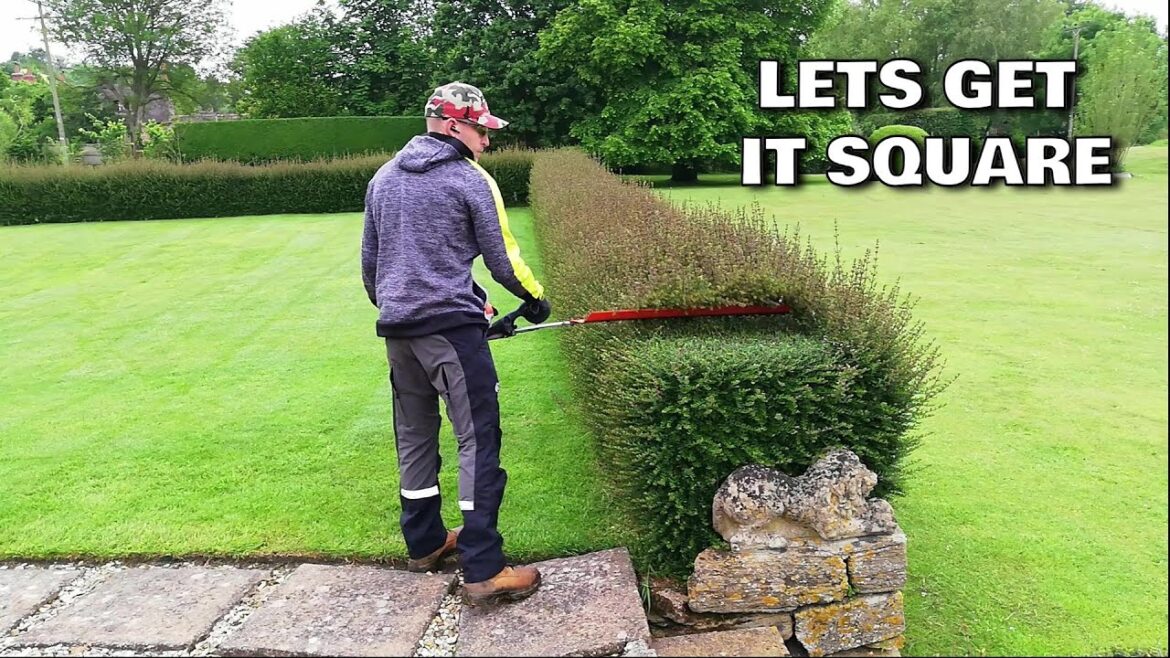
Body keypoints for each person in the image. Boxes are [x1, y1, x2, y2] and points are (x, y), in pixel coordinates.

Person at [360, 81, 551, 605]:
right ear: (451, 125)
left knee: (416, 436)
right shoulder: (469, 179)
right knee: (478, 438)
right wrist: (534, 300)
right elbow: (503, 256)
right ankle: (484, 569)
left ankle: (424, 544)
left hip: (399, 332)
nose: (487, 140)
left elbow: (372, 267)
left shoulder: (383, 178)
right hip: (450, 334)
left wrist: (452, 303)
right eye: (480, 129)